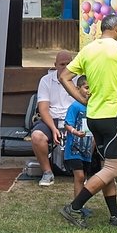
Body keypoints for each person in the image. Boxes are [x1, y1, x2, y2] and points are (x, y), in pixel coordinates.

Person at [58, 14, 117, 229]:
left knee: (105, 168)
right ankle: (74, 206)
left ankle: (115, 215)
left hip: (93, 117)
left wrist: (82, 98)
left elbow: (63, 76)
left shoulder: (88, 50)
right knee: (112, 169)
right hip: (113, 116)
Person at [30, 50, 75, 186]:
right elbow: (43, 109)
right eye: (62, 64)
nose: (66, 67)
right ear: (55, 65)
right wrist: (54, 129)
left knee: (91, 134)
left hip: (74, 118)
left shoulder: (80, 79)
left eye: (69, 64)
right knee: (37, 136)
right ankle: (47, 172)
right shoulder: (46, 80)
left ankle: (81, 171)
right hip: (52, 118)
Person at [63, 76, 95, 212]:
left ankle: (80, 205)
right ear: (77, 88)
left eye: (91, 88)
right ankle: (76, 207)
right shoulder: (75, 106)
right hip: (74, 148)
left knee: (84, 177)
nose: (89, 91)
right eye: (86, 87)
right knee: (79, 176)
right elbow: (67, 124)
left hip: (87, 149)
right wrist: (75, 132)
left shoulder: (94, 106)